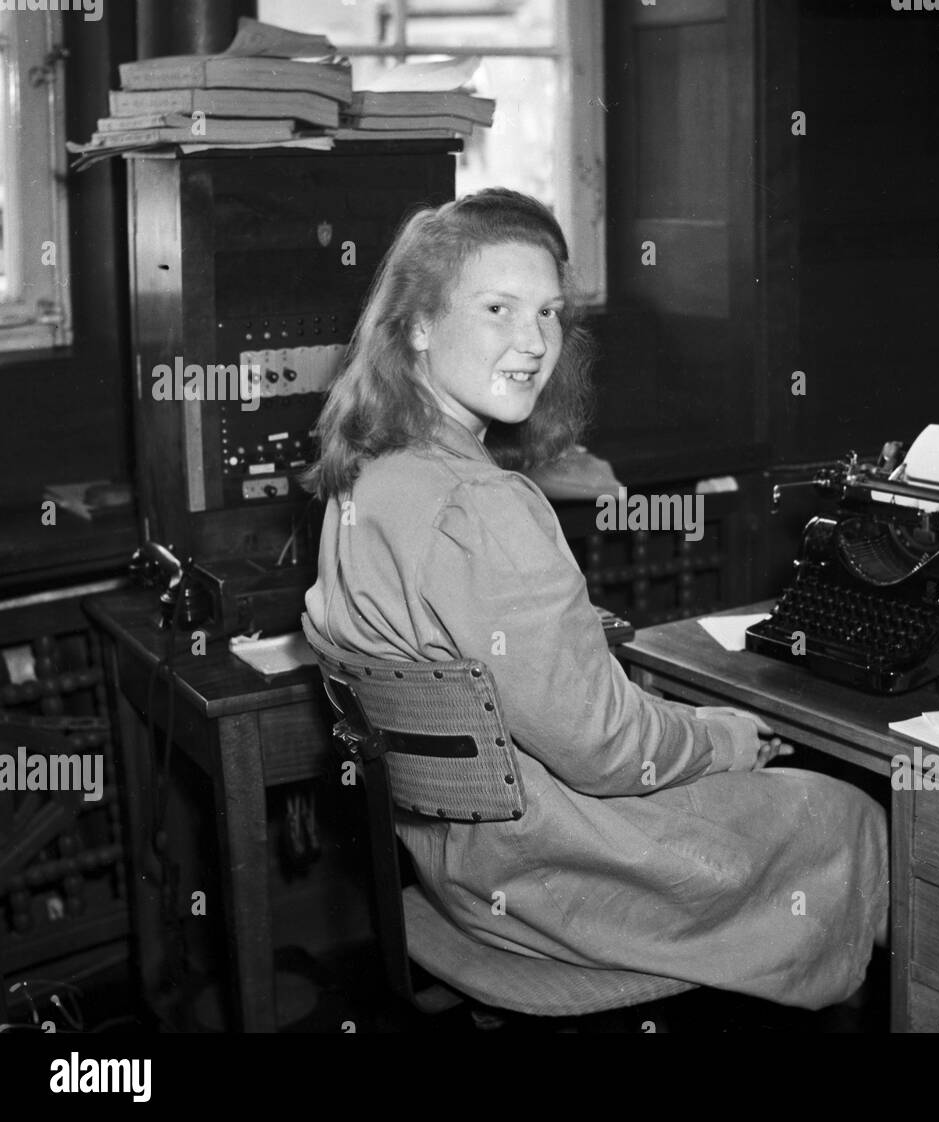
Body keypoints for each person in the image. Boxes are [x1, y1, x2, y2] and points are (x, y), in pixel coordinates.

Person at [302, 188, 889, 1010]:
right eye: (499, 308)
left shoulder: (364, 472)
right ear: (419, 325)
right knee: (851, 809)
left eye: (548, 313)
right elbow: (607, 752)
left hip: (456, 868)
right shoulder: (482, 504)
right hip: (559, 878)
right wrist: (718, 737)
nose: (534, 342)